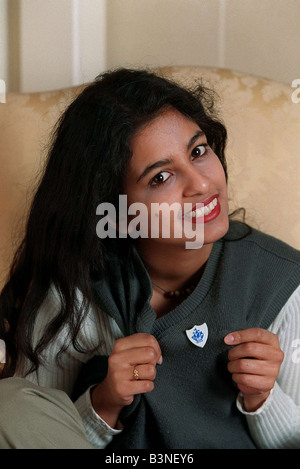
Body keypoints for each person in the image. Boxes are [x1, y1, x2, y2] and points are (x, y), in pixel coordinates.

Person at [0, 68, 299, 449]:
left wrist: (263, 399)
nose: (202, 184)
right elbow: (30, 429)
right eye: (161, 177)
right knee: (8, 403)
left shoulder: (284, 283)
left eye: (198, 151)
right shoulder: (74, 287)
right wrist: (103, 402)